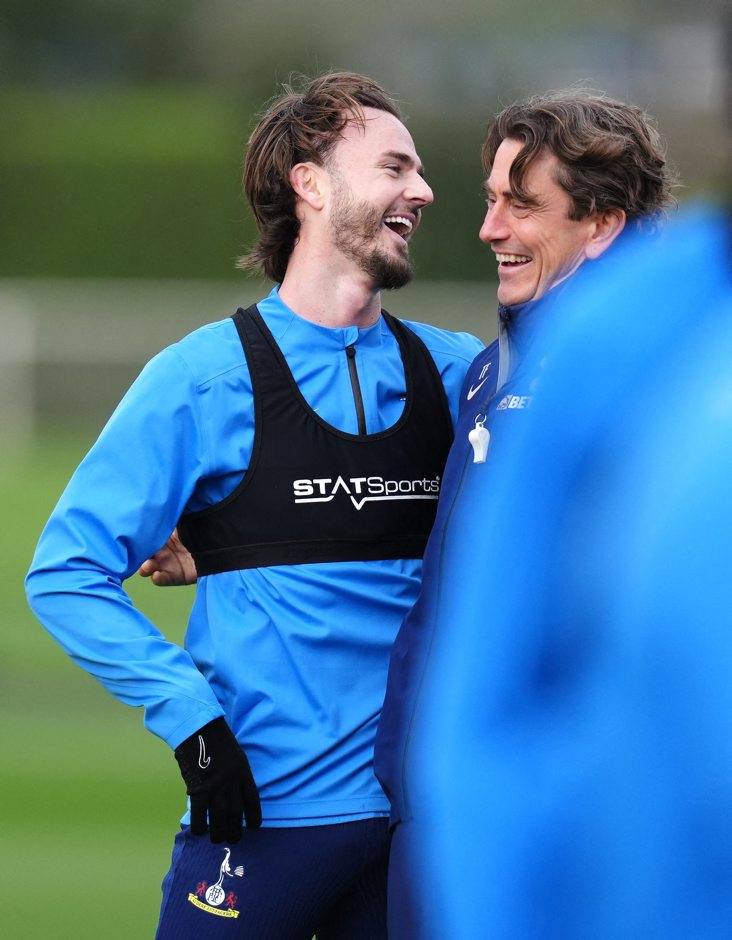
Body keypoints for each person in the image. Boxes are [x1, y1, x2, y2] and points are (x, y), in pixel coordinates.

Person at [25, 71, 483, 940]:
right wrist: (191, 720)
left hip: (418, 835)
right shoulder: (201, 378)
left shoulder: (461, 374)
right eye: (395, 166)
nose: (424, 190)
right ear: (311, 184)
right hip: (262, 824)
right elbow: (66, 574)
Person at [372, 89, 677, 937]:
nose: (489, 229)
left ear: (602, 224)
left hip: (565, 825)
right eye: (490, 199)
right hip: (438, 808)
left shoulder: (668, 382)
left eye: (522, 205)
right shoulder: (489, 371)